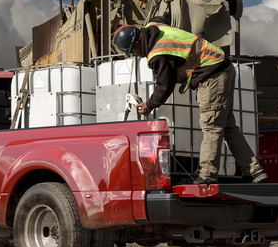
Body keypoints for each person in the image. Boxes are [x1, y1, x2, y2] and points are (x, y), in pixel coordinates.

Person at [111, 19, 267, 184]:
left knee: (211, 127)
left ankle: (207, 176)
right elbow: (160, 19)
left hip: (211, 75)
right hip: (221, 67)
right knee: (227, 127)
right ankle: (254, 172)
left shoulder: (159, 54)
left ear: (137, 42)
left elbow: (164, 86)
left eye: (133, 51)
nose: (136, 55)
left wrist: (149, 105)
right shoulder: (153, 28)